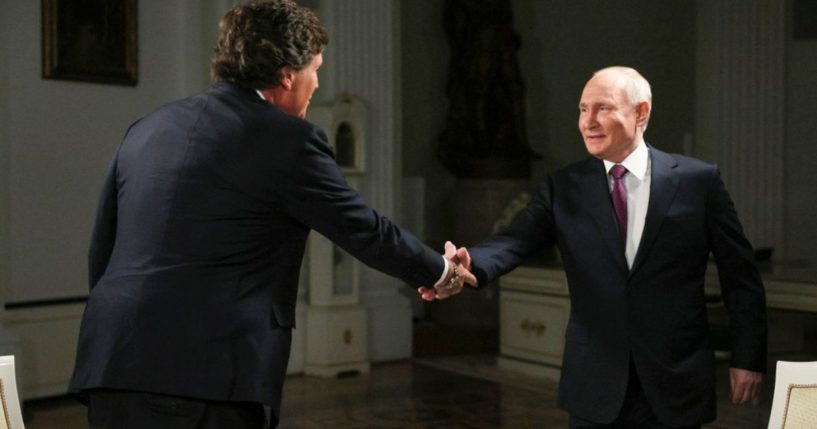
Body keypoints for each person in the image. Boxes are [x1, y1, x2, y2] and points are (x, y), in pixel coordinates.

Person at [68, 1, 475, 428]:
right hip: (203, 375)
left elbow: (103, 249)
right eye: (315, 69)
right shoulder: (286, 141)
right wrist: (441, 271)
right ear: (287, 75)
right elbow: (364, 230)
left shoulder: (147, 128)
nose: (317, 83)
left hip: (111, 360)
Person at [420, 66, 767, 428]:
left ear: (641, 112)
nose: (589, 121)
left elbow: (740, 276)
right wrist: (467, 264)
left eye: (603, 108)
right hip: (595, 383)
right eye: (583, 110)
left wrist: (748, 357)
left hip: (675, 380)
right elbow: (513, 241)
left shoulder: (699, 181)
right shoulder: (564, 187)